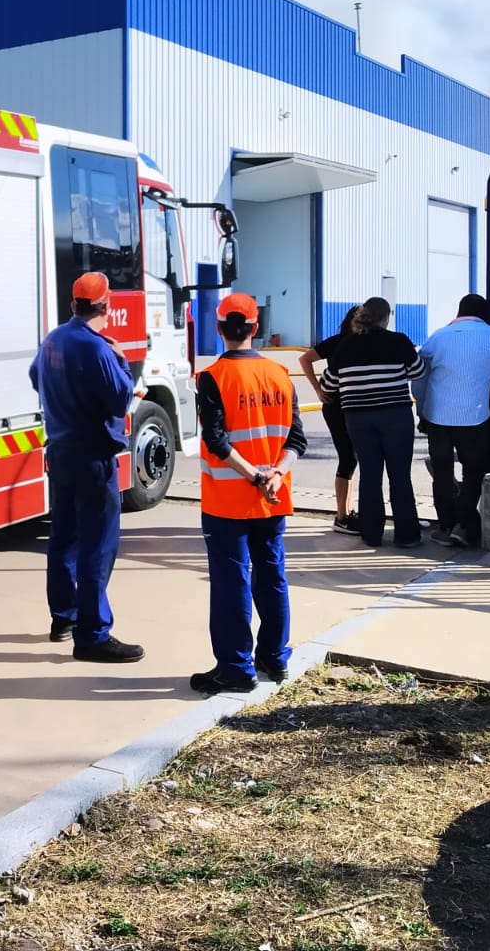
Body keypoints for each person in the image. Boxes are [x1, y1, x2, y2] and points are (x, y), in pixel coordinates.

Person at [191, 294, 307, 695]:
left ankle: (235, 668)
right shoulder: (279, 373)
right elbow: (296, 438)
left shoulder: (213, 377)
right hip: (274, 497)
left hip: (228, 502)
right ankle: (275, 659)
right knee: (272, 576)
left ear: (220, 328)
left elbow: (217, 440)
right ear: (255, 328)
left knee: (231, 583)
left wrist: (254, 475)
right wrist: (275, 474)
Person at [27, 271, 144, 664]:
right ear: (106, 306)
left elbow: (34, 378)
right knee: (98, 544)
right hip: (93, 457)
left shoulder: (53, 339)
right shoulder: (98, 348)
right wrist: (123, 361)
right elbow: (119, 400)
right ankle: (92, 635)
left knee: (63, 538)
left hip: (60, 453)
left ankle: (64, 619)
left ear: (73, 303)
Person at [411, 294, 490, 548]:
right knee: (473, 471)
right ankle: (464, 525)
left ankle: (445, 526)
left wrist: (421, 408)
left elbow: (418, 377)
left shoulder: (437, 337)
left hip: (437, 417)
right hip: (474, 418)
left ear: (459, 310)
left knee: (442, 473)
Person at [319, 298, 425, 548]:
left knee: (369, 473)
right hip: (395, 416)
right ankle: (407, 535)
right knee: (399, 475)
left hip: (358, 418)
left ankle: (372, 533)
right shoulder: (399, 341)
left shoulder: (345, 345)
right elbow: (418, 372)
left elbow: (328, 384)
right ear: (386, 317)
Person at [298, 306, 362, 534]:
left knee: (352, 458)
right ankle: (341, 515)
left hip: (351, 406)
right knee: (348, 457)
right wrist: (316, 389)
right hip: (336, 405)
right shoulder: (338, 342)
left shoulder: (360, 342)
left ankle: (348, 510)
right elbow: (305, 359)